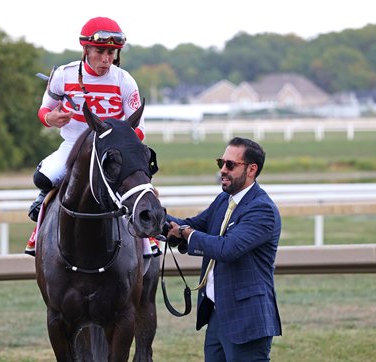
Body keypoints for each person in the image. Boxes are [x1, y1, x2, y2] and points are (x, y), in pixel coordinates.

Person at [25, 17, 149, 255]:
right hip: (74, 145)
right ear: (85, 49)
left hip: (114, 151)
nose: (106, 60)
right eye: (100, 52)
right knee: (44, 178)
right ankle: (39, 232)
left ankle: (147, 240)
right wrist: (51, 118)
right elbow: (44, 110)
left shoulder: (125, 81)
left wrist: (123, 146)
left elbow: (139, 128)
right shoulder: (63, 75)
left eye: (112, 53)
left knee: (140, 185)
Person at [166, 137, 282, 361]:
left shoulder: (262, 210)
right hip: (218, 315)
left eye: (230, 164)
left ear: (252, 169)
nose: (223, 169)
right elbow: (191, 224)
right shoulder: (223, 200)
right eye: (221, 162)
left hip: (247, 320)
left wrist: (186, 234)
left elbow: (227, 249)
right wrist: (149, 209)